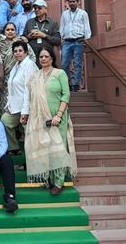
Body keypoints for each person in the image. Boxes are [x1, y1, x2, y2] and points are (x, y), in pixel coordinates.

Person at [25, 48, 77, 195]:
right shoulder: (35, 76)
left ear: (52, 58)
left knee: (58, 148)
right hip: (40, 118)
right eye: (41, 56)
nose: (43, 59)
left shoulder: (60, 74)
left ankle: (59, 181)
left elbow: (66, 95)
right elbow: (30, 98)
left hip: (57, 117)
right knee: (45, 148)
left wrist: (59, 115)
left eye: (46, 56)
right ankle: (47, 178)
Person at [3, 41, 37, 155]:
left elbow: (28, 89)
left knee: (28, 132)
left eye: (20, 51)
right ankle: (14, 148)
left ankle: (31, 157)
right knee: (5, 121)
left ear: (26, 52)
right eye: (15, 51)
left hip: (27, 107)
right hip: (15, 106)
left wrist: (25, 111)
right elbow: (11, 88)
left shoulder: (29, 65)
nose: (18, 53)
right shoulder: (16, 66)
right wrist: (8, 105)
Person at [60, 0, 92, 92]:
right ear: (68, 2)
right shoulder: (65, 14)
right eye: (70, 2)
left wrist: (87, 39)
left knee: (77, 63)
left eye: (74, 1)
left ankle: (76, 84)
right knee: (64, 64)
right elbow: (62, 27)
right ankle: (67, 83)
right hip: (67, 41)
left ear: (78, 2)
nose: (72, 3)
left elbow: (87, 27)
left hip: (79, 41)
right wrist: (61, 39)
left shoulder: (83, 13)